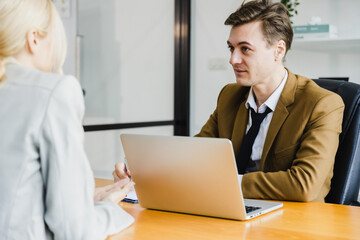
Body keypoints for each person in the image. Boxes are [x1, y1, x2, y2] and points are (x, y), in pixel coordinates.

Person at [114, 0, 345, 203]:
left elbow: (305, 185)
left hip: (295, 222)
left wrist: (226, 183)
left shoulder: (322, 104)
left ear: (278, 50)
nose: (233, 59)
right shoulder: (230, 96)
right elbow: (194, 154)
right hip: (230, 210)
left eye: (245, 49)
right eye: (231, 48)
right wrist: (143, 170)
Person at [0, 0, 134, 239]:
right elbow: (74, 231)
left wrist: (87, 200)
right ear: (34, 39)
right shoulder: (53, 91)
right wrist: (111, 209)